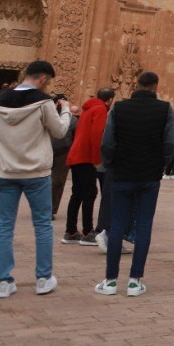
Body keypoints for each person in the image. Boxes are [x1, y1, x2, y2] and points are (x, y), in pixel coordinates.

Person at [0, 60, 75, 298]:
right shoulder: (43, 101)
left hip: (6, 170)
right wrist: (65, 109)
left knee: (4, 226)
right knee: (42, 225)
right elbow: (58, 130)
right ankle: (44, 278)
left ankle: (4, 282)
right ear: (44, 79)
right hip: (36, 172)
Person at [95, 71, 174, 297]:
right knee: (143, 225)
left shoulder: (118, 108)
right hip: (149, 176)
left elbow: (108, 142)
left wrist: (111, 164)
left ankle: (110, 281)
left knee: (117, 224)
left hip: (122, 173)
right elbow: (170, 143)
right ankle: (134, 281)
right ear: (155, 86)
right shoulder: (165, 109)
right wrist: (161, 165)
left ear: (136, 85)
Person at [62, 88, 115, 244]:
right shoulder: (100, 109)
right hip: (85, 157)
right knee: (90, 193)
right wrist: (97, 159)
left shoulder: (88, 108)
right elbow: (97, 134)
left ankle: (71, 231)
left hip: (76, 155)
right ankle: (87, 232)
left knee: (77, 193)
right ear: (110, 100)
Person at [50, 106, 78, 216]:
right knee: (43, 180)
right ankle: (43, 207)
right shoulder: (48, 115)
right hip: (46, 150)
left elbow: (75, 137)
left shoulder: (73, 120)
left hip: (63, 153)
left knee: (57, 181)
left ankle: (51, 209)